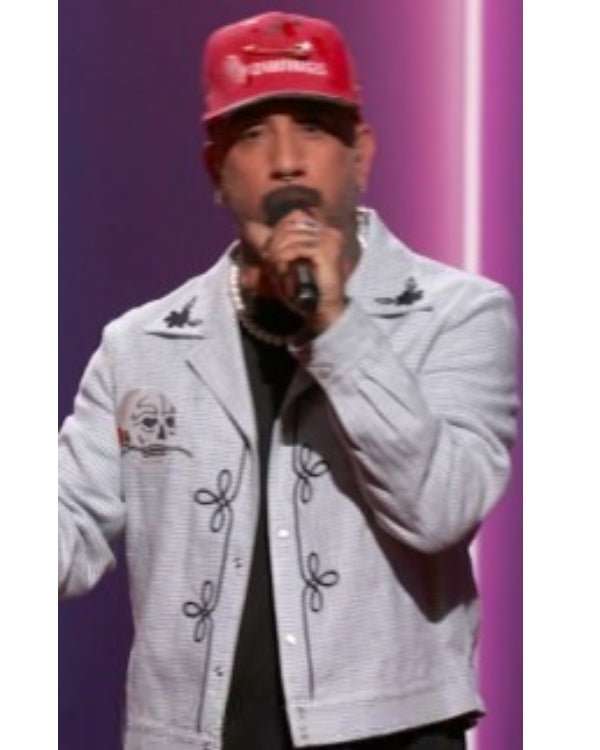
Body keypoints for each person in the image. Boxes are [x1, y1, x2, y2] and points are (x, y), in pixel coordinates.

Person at [59, 10, 518, 750]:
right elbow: (66, 533)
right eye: (251, 135)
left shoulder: (455, 313)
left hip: (391, 733)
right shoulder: (141, 345)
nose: (286, 161)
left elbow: (440, 509)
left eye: (312, 128)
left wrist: (337, 325)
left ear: (360, 154)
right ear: (216, 171)